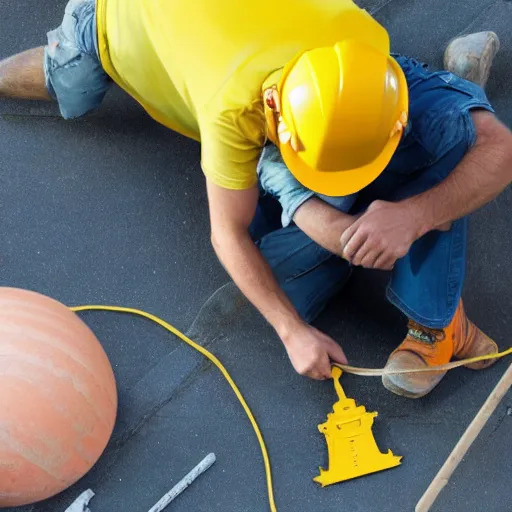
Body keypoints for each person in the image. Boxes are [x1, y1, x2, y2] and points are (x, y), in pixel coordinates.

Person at [0, 0, 510, 396]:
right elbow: (227, 233)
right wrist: (291, 333)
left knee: (448, 157)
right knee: (68, 81)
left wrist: (415, 216)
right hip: (117, 18)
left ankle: (439, 324)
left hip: (272, 46)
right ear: (275, 115)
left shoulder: (355, 37)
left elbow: (501, 150)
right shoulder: (232, 111)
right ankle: (455, 100)